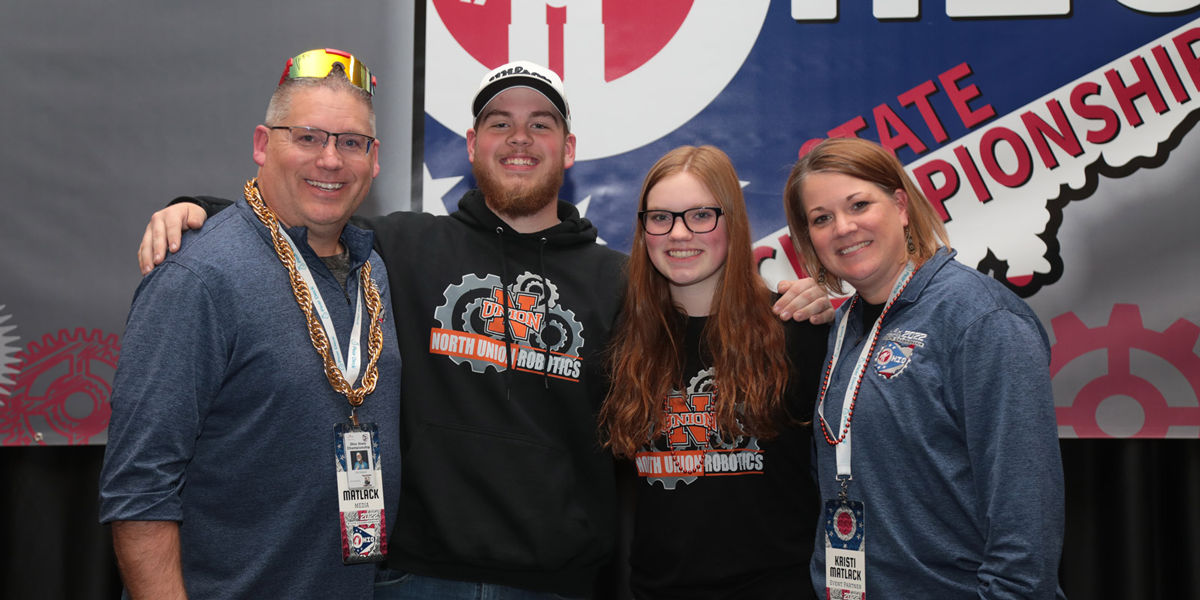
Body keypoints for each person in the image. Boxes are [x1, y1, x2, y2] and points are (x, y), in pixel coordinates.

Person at [136, 61, 834, 598]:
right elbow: (305, 218)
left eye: (540, 124)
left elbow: (703, 322)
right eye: (500, 123)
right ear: (472, 144)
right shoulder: (399, 245)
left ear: (568, 148)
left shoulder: (621, 282)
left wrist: (794, 300)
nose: (519, 138)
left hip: (557, 583)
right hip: (414, 578)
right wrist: (198, 209)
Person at [99, 49, 401, 600]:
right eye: (308, 137)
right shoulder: (198, 276)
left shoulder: (372, 269)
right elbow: (140, 486)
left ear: (373, 159)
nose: (330, 160)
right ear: (263, 144)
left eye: (351, 142)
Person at [782, 137, 1066, 599]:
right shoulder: (843, 325)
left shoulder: (981, 317)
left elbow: (1026, 513)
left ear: (901, 206)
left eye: (859, 205)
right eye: (821, 218)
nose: (843, 228)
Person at [601, 146, 826, 599]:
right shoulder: (621, 342)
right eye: (660, 218)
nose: (679, 233)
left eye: (701, 215)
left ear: (733, 222)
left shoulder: (798, 329)